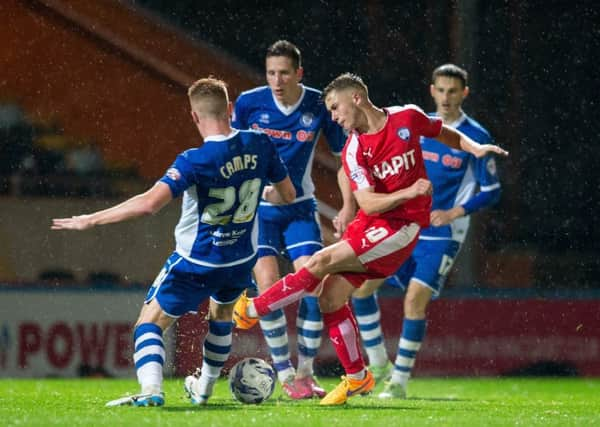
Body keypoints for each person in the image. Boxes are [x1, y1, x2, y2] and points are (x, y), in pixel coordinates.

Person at [233, 72, 508, 405]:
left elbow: (444, 133)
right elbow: (368, 202)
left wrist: (474, 147)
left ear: (356, 99)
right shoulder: (353, 150)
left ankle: (254, 307)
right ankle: (358, 376)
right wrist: (408, 190)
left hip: (402, 227)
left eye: (335, 108)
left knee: (321, 261)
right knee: (331, 299)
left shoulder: (407, 118)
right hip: (373, 221)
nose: (333, 117)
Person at [51, 77, 295, 407]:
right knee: (221, 317)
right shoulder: (260, 143)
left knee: (148, 323)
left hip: (198, 261)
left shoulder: (194, 160)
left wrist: (90, 219)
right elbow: (287, 194)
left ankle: (151, 390)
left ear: (194, 116)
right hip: (240, 260)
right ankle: (204, 389)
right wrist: (260, 192)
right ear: (231, 110)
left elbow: (150, 203)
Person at [351, 63, 503, 399]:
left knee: (413, 301)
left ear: (465, 94)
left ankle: (399, 382)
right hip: (404, 224)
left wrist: (452, 212)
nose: (446, 98)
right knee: (360, 290)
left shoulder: (475, 136)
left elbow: (492, 189)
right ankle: (379, 366)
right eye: (441, 90)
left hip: (442, 232)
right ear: (431, 90)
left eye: (453, 91)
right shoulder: (413, 127)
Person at [231, 40, 352, 399]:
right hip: (259, 214)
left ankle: (304, 372)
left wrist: (347, 206)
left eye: (284, 72)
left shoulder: (318, 104)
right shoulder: (250, 103)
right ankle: (284, 373)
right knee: (268, 287)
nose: (277, 80)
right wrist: (254, 186)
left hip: (300, 208)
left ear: (299, 73)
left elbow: (345, 159)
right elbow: (232, 151)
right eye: (271, 72)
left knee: (313, 284)